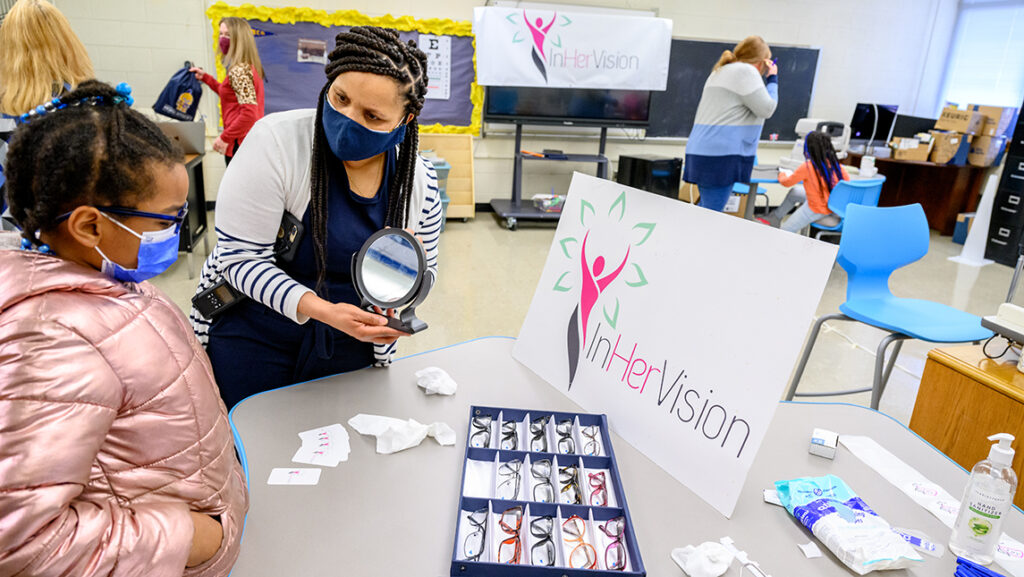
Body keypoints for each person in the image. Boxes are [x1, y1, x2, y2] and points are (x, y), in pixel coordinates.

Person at [0, 80, 247, 577]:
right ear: (89, 226)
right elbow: (23, 542)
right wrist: (193, 537)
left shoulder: (108, 278)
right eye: (166, 220)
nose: (177, 232)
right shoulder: (49, 342)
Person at [191, 26, 443, 410]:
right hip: (257, 331)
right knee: (253, 437)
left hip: (350, 342)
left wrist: (410, 279)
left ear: (404, 121)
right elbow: (239, 260)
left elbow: (429, 272)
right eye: (340, 98)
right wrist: (321, 310)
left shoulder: (418, 182)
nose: (347, 119)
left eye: (372, 116)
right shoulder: (276, 143)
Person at [0, 0, 94, 225]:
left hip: (10, 235)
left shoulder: (4, 110)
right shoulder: (85, 103)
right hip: (73, 230)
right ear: (67, 43)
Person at [683, 36, 778, 212]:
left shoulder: (721, 70)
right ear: (761, 62)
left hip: (703, 151)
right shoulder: (746, 71)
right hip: (719, 155)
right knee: (711, 215)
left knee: (704, 211)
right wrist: (772, 79)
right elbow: (767, 109)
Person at [189, 16, 265, 165]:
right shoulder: (245, 67)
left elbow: (249, 113)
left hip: (240, 143)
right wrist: (206, 78)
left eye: (228, 35)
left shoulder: (240, 71)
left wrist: (224, 138)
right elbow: (230, 95)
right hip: (246, 141)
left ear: (239, 39)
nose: (223, 39)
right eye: (221, 34)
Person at [775, 131, 849, 233]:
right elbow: (846, 187)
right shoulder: (838, 168)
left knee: (785, 231)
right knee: (795, 192)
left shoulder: (808, 167)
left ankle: (777, 223)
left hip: (817, 208)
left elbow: (786, 182)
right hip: (833, 206)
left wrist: (782, 173)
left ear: (809, 148)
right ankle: (775, 217)